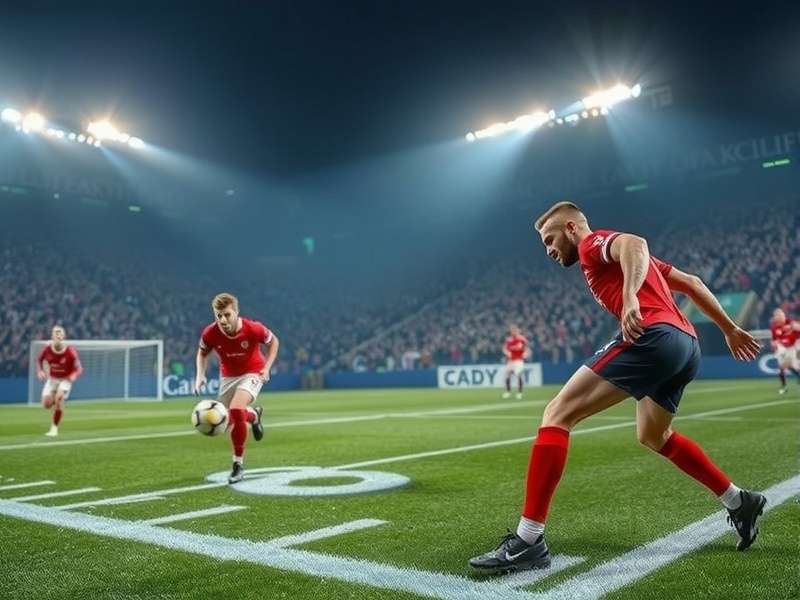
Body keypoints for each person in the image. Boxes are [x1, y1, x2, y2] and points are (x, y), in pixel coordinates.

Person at [470, 201, 764, 574]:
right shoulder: (626, 264)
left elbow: (635, 243)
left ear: (572, 229)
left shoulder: (593, 246)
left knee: (557, 414)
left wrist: (628, 300)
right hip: (686, 346)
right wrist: (729, 328)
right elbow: (691, 283)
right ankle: (739, 501)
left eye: (550, 238)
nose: (548, 249)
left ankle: (528, 541)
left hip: (653, 335)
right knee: (654, 435)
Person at [194, 292, 280, 483]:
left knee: (235, 409)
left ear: (236, 312)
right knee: (225, 422)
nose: (223, 320)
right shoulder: (210, 333)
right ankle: (254, 416)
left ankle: (238, 465)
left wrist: (266, 368)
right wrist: (200, 375)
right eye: (219, 315)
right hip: (228, 377)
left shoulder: (253, 328)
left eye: (227, 315)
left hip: (253, 372)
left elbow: (274, 341)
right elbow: (202, 354)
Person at [37, 325, 82, 437]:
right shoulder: (47, 349)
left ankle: (54, 428)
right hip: (52, 379)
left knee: (59, 398)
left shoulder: (70, 352)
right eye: (55, 333)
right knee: (46, 405)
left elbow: (79, 368)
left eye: (60, 333)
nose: (57, 334)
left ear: (63, 336)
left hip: (65, 379)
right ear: (52, 336)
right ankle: (56, 401)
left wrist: (73, 376)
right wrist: (40, 371)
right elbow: (39, 360)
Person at [769, 308, 800, 394]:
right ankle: (784, 386)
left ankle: (784, 386)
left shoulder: (790, 322)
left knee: (784, 366)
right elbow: (774, 339)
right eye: (776, 316)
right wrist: (774, 343)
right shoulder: (774, 327)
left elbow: (798, 328)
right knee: (782, 368)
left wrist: (792, 327)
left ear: (783, 316)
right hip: (782, 348)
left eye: (780, 315)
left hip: (792, 347)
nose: (778, 317)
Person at [502, 325, 530, 399]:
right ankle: (508, 392)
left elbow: (527, 349)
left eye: (515, 330)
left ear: (518, 331)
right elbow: (504, 349)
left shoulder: (522, 339)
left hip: (518, 360)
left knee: (518, 375)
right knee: (507, 375)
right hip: (511, 360)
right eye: (512, 330)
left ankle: (519, 392)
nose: (513, 332)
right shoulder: (509, 340)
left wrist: (525, 354)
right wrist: (507, 353)